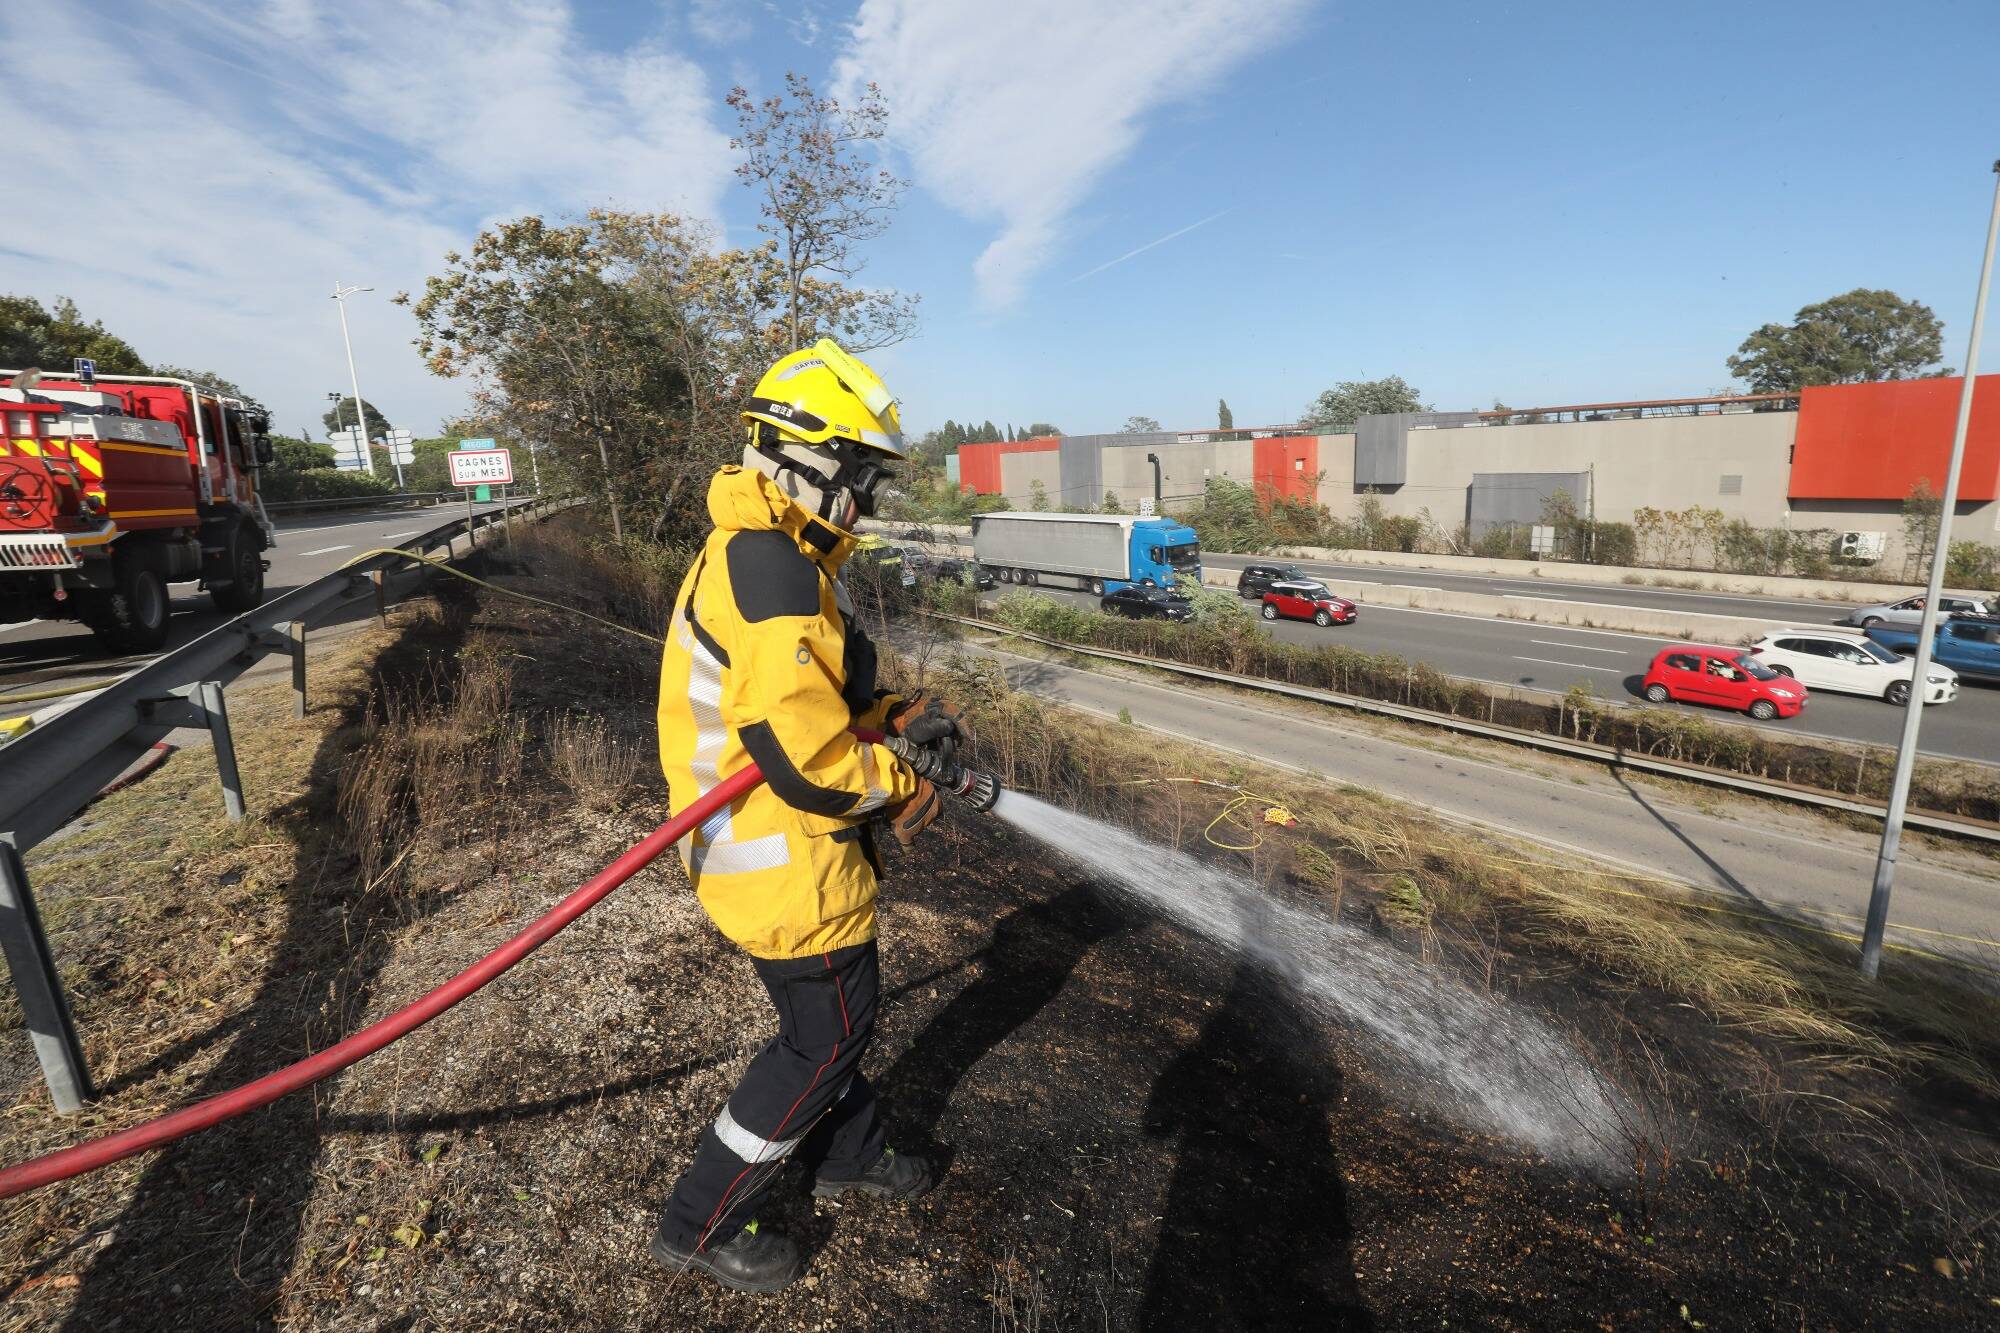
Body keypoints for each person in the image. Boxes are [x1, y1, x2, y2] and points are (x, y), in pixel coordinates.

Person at [650, 338, 966, 1294]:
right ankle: (697, 1219)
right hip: (782, 861)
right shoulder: (773, 572)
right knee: (824, 1037)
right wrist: (906, 780)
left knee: (830, 1025)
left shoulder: (766, 553)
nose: (866, 500)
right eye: (861, 474)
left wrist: (889, 718)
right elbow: (813, 764)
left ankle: (850, 1154)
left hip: (758, 845)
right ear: (809, 458)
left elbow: (804, 708)